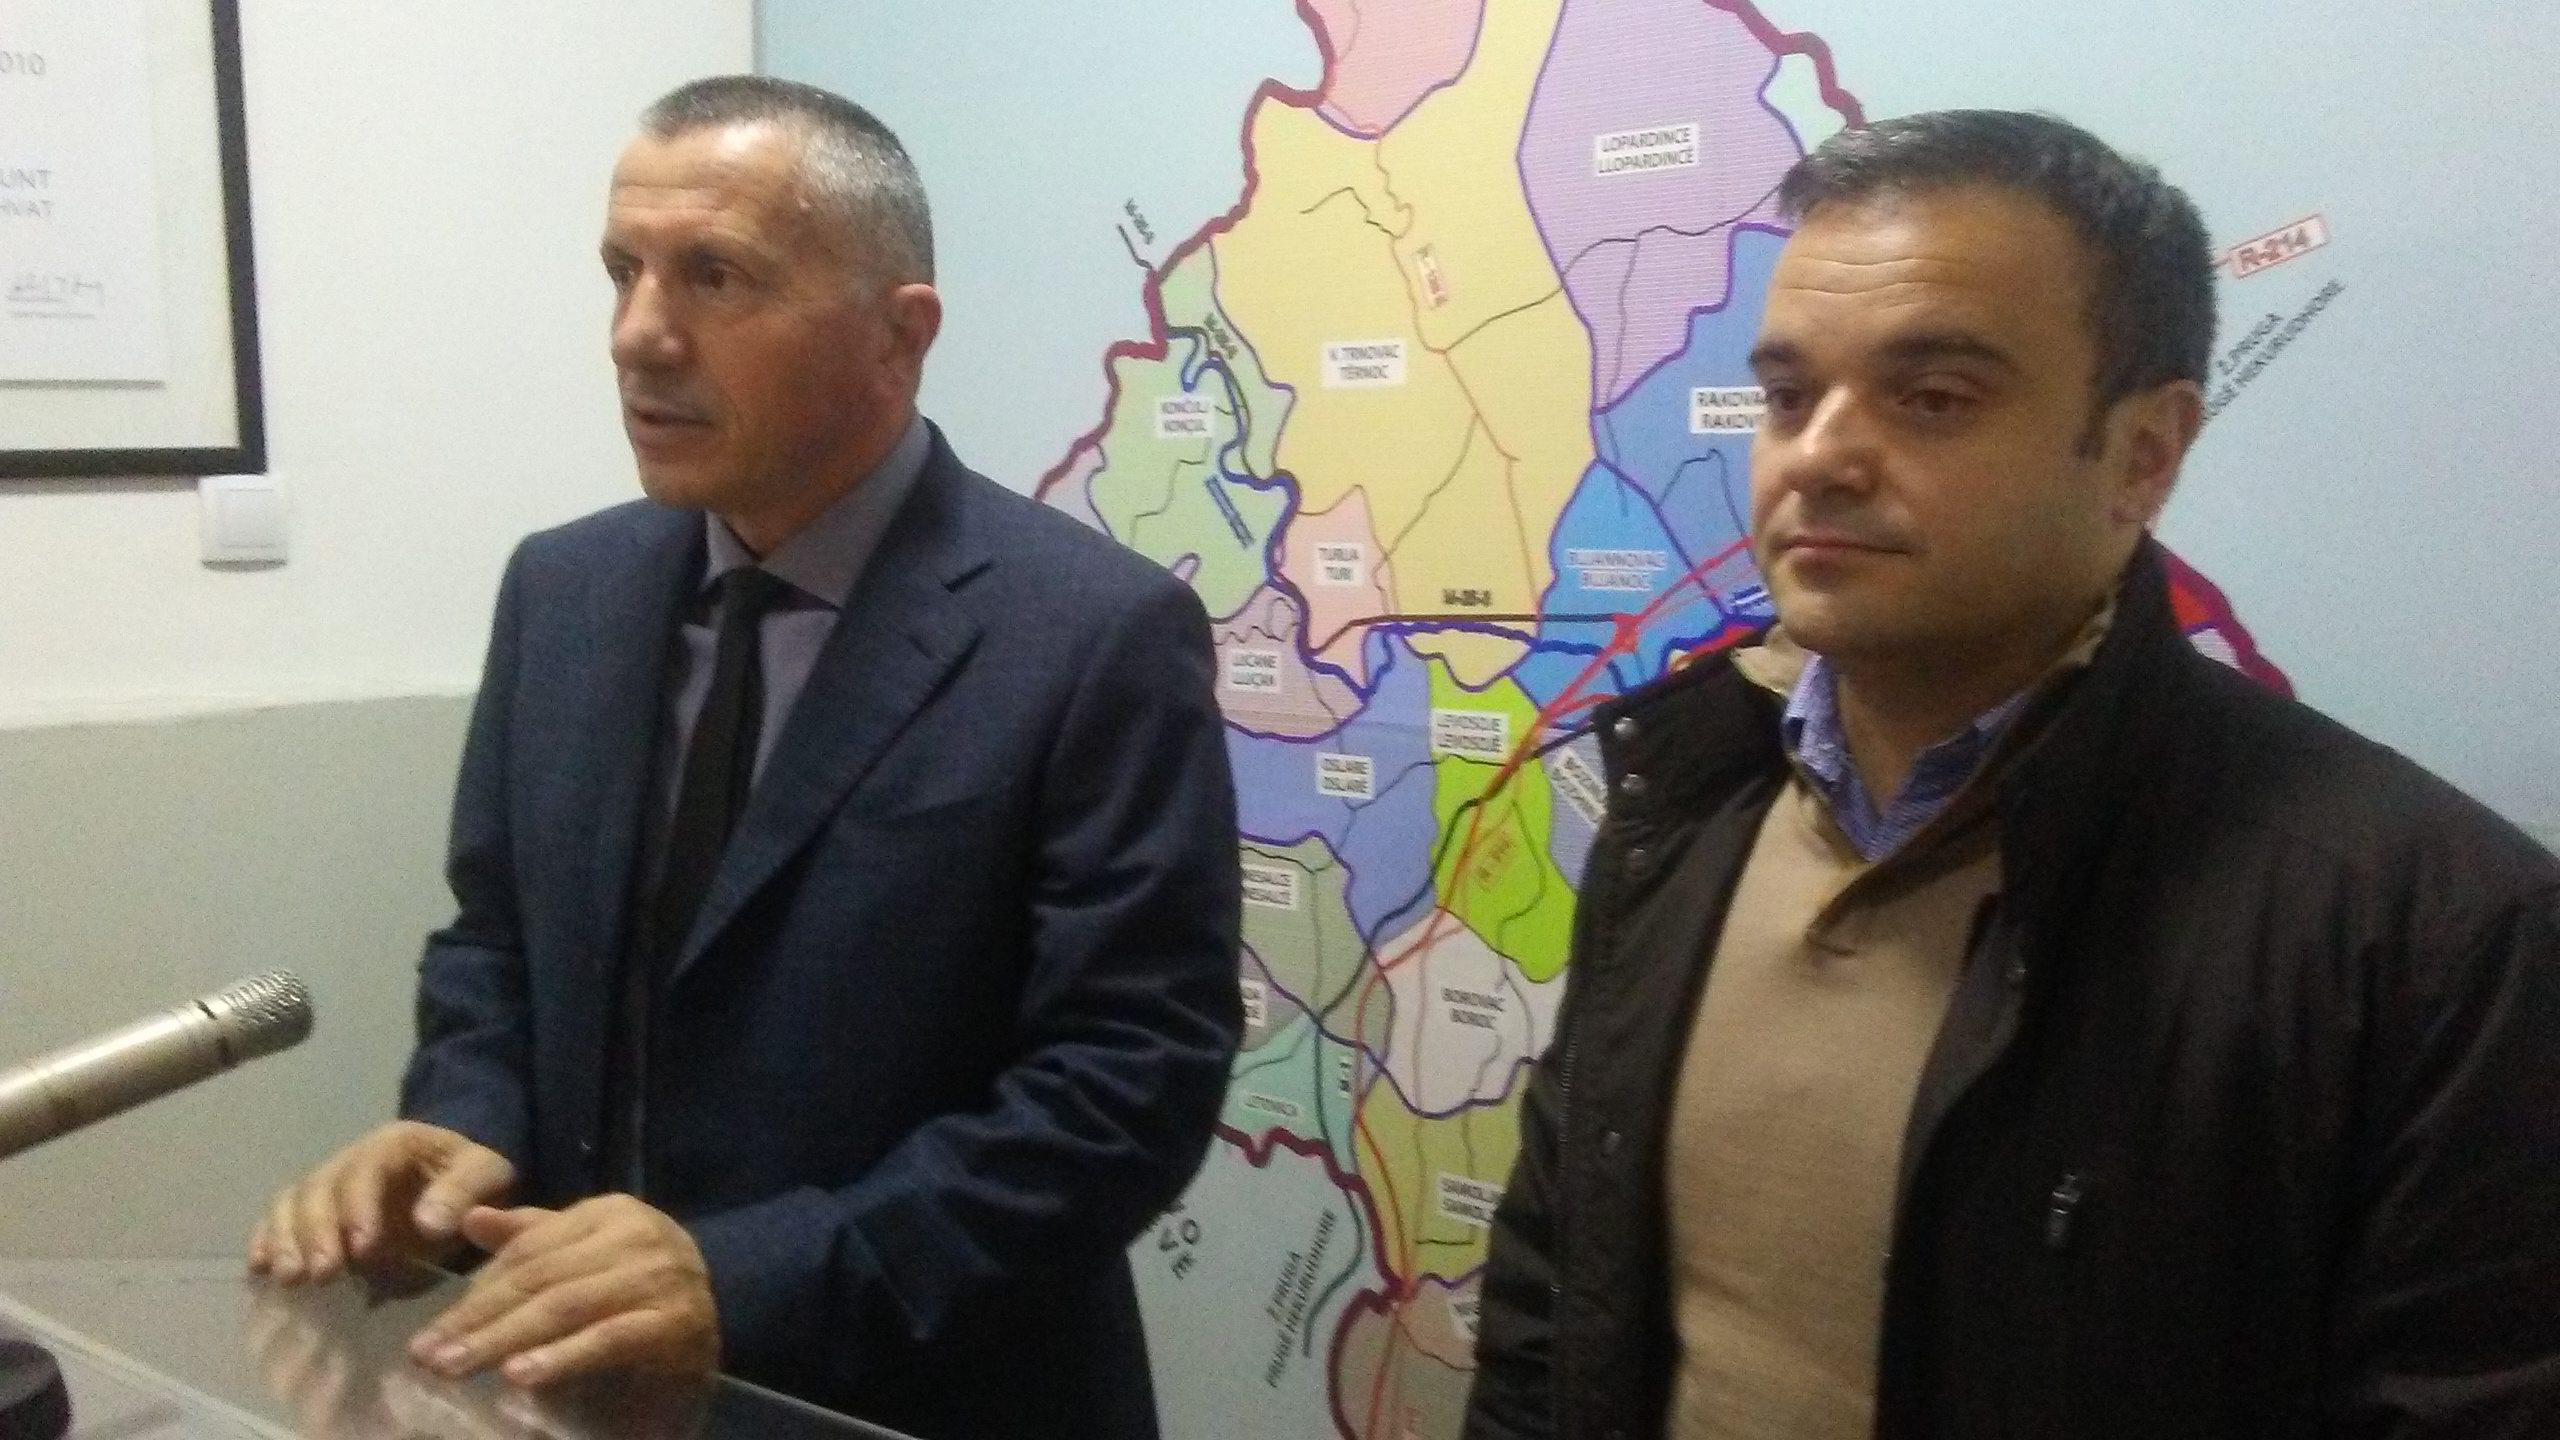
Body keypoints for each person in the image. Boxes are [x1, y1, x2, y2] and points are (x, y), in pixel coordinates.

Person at [1463, 109, 2560, 1439]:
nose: (1819, 456)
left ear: (2145, 454)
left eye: (1933, 398)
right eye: (1790, 396)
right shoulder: (1684, 802)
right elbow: (1549, 1297)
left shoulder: (2433, 934)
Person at [248, 75, 1243, 1440]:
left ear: (899, 336)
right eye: (623, 272)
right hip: (576, 1381)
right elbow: (496, 942)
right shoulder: (564, 591)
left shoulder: (1090, 635)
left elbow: (1127, 1083)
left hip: (929, 1395)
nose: (639, 336)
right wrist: (467, 1122)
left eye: (714, 277)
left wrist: (745, 1275)